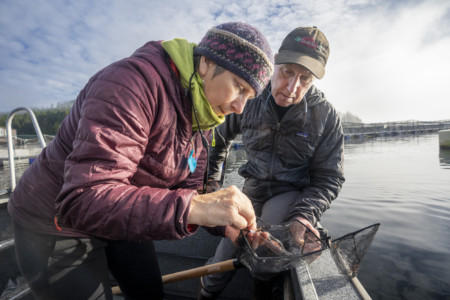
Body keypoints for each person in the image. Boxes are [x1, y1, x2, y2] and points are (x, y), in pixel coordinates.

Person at [7, 22, 274, 300]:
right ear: (206, 62)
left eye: (250, 97)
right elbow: (84, 198)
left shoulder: (202, 115)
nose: (240, 108)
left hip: (123, 211)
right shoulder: (131, 84)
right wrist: (193, 206)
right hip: (55, 221)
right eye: (239, 87)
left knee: (149, 292)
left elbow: (192, 187)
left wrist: (226, 223)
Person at [198, 26, 345, 299]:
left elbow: (329, 178)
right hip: (251, 189)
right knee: (219, 264)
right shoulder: (249, 95)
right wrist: (212, 182)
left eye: (305, 79)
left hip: (290, 196)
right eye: (287, 72)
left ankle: (263, 287)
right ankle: (207, 292)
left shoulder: (326, 116)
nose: (292, 88)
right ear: (275, 60)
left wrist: (304, 215)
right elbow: (216, 141)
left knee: (263, 252)